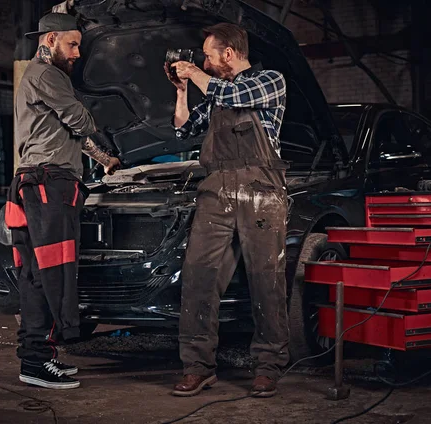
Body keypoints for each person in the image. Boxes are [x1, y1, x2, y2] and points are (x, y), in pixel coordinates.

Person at [165, 22, 290, 397]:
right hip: (216, 189)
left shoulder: (269, 81)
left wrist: (197, 73)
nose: (203, 60)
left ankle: (269, 365)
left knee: (266, 279)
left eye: (208, 54)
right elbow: (184, 129)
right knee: (198, 275)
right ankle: (198, 366)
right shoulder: (215, 93)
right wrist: (183, 90)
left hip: (261, 188)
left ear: (229, 54)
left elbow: (236, 95)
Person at [5, 13, 119, 390]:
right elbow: (81, 123)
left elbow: (71, 134)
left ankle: (38, 358)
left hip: (35, 181)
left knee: (38, 275)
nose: (77, 53)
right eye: (72, 44)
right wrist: (95, 116)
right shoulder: (48, 74)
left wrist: (106, 160)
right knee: (51, 275)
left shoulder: (41, 79)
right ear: (51, 39)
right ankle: (36, 362)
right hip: (49, 183)